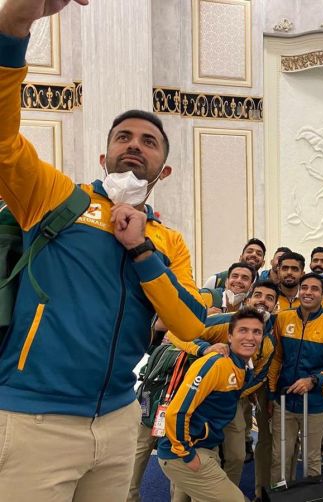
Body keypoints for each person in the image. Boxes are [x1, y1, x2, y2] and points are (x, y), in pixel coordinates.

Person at [0, 2, 207, 500]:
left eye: (150, 142)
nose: (135, 145)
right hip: (34, 419)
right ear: (104, 154)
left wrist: (140, 250)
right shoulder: (53, 198)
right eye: (124, 137)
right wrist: (13, 28)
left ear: (165, 171)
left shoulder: (166, 241)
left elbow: (191, 324)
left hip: (118, 420)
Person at [161, 281, 279, 496]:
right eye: (258, 295)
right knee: (191, 459)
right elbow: (177, 332)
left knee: (233, 455)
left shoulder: (268, 342)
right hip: (198, 400)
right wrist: (204, 349)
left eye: (270, 298)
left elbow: (260, 376)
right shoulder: (221, 332)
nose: (263, 300)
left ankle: (221, 490)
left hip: (229, 401)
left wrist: (233, 389)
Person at [268, 273, 323, 481]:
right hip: (284, 400)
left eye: (314, 289)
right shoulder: (283, 318)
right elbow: (276, 358)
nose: (308, 292)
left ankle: (311, 496)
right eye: (304, 288)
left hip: (314, 404)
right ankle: (280, 494)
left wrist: (315, 380)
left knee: (311, 458)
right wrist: (271, 392)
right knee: (280, 456)